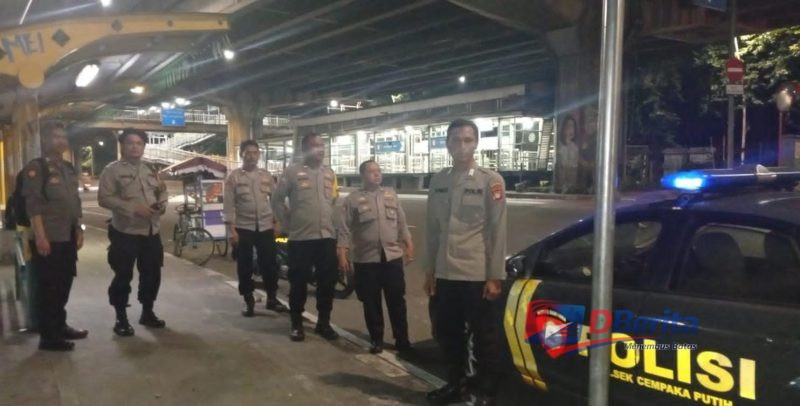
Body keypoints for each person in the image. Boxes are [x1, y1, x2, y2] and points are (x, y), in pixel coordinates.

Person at [424, 118, 507, 406]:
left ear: (476, 143)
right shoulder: (439, 180)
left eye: (468, 140)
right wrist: (429, 270)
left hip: (476, 274)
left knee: (484, 338)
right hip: (445, 273)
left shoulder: (490, 181)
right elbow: (432, 229)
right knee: (447, 333)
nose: (462, 146)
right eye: (456, 140)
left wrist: (495, 275)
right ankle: (456, 385)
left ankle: (485, 392)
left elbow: (497, 230)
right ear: (447, 144)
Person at [336, 160, 414, 355]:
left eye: (379, 170)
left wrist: (408, 242)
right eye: (372, 171)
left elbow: (402, 222)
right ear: (362, 175)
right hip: (366, 260)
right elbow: (344, 229)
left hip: (392, 258)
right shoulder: (353, 199)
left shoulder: (391, 194)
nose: (377, 174)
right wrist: (342, 253)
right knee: (371, 303)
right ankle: (376, 339)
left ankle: (402, 340)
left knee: (397, 301)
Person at [22, 121, 87, 351]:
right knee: (49, 287)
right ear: (45, 140)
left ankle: (60, 325)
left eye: (63, 137)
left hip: (67, 235)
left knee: (64, 283)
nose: (60, 141)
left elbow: (74, 203)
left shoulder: (67, 168)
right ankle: (48, 337)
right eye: (55, 137)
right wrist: (40, 236)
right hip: (49, 237)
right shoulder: (37, 167)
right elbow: (34, 205)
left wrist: (78, 228)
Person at [98, 128, 168, 337]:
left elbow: (162, 192)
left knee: (152, 274)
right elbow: (104, 198)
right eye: (130, 143)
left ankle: (147, 311)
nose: (135, 147)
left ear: (144, 146)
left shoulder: (151, 169)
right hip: (125, 232)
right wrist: (132, 209)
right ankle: (121, 317)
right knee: (123, 275)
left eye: (139, 143)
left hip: (151, 231)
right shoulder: (112, 171)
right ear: (122, 146)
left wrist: (161, 205)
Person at [272, 134, 340, 342]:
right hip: (301, 238)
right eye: (314, 145)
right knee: (299, 282)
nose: (319, 149)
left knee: (327, 283)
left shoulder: (329, 173)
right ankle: (296, 323)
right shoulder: (292, 172)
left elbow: (333, 201)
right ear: (304, 150)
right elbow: (277, 199)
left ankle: (323, 323)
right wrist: (287, 224)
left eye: (321, 145)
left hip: (326, 237)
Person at [223, 140, 288, 317]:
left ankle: (272, 298)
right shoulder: (234, 177)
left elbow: (275, 201)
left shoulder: (266, 176)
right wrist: (231, 230)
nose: (252, 156)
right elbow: (228, 206)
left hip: (265, 226)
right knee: (244, 266)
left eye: (255, 153)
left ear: (259, 155)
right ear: (241, 155)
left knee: (270, 264)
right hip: (243, 227)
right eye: (248, 153)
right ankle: (248, 299)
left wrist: (277, 222)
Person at [557, 115, 580, 193]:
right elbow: (561, 168)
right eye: (569, 126)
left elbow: (574, 169)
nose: (571, 130)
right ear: (564, 128)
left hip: (572, 187)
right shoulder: (559, 147)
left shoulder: (575, 148)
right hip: (561, 187)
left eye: (573, 127)